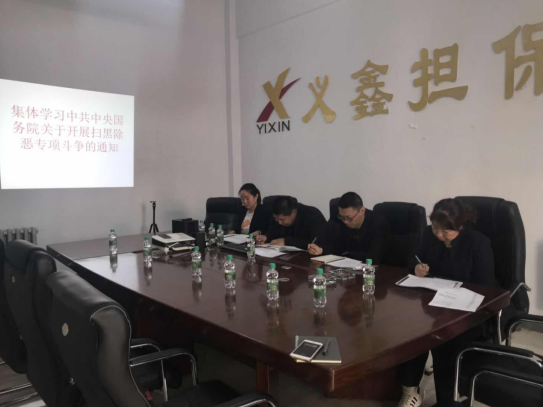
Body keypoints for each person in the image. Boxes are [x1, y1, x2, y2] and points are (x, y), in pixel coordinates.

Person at [397, 198, 496, 407]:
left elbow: (485, 285)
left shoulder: (478, 243)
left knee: (443, 341)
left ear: (460, 226)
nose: (439, 235)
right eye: (435, 228)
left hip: (467, 310)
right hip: (432, 303)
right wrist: (416, 268)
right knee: (410, 333)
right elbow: (412, 258)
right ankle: (409, 389)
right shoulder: (427, 234)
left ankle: (447, 400)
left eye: (446, 231)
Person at [308, 192, 390, 264]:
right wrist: (321, 250)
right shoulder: (339, 220)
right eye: (342, 217)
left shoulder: (378, 224)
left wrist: (345, 253)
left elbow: (374, 257)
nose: (345, 221)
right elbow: (335, 245)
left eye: (349, 218)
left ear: (362, 211)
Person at [255, 196, 326, 250]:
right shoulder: (278, 216)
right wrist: (266, 237)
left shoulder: (312, 215)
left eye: (282, 219)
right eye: (276, 219)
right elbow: (273, 232)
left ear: (293, 212)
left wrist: (287, 241)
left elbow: (317, 243)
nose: (279, 222)